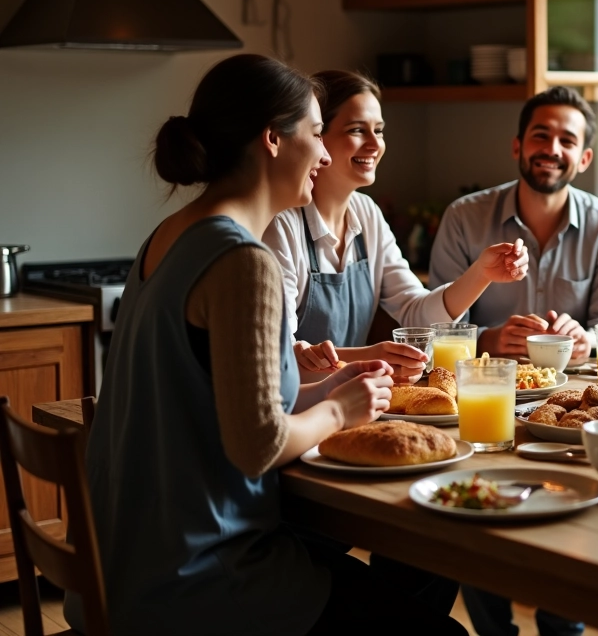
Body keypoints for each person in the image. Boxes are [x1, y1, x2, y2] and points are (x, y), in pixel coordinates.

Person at [70, 55, 466, 635]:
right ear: (272, 141)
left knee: (406, 586)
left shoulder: (172, 233)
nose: (327, 155)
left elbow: (216, 394)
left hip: (125, 562)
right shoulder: (243, 260)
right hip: (202, 575)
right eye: (316, 134)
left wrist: (328, 386)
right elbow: (258, 445)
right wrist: (339, 409)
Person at [429, 85, 598, 636]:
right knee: (481, 510)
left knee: (574, 511)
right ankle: (495, 630)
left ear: (584, 158)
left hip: (571, 404)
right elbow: (435, 329)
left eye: (568, 139)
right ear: (518, 146)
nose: (553, 147)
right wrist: (489, 337)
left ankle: (563, 626)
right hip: (482, 398)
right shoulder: (465, 218)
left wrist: (588, 339)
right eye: (541, 135)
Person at [263, 70, 528, 381]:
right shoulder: (282, 225)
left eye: (379, 130)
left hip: (356, 399)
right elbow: (281, 356)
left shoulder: (366, 213)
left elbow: (415, 311)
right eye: (356, 130)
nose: (375, 144)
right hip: (303, 409)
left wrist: (481, 273)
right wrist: (368, 358)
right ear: (319, 136)